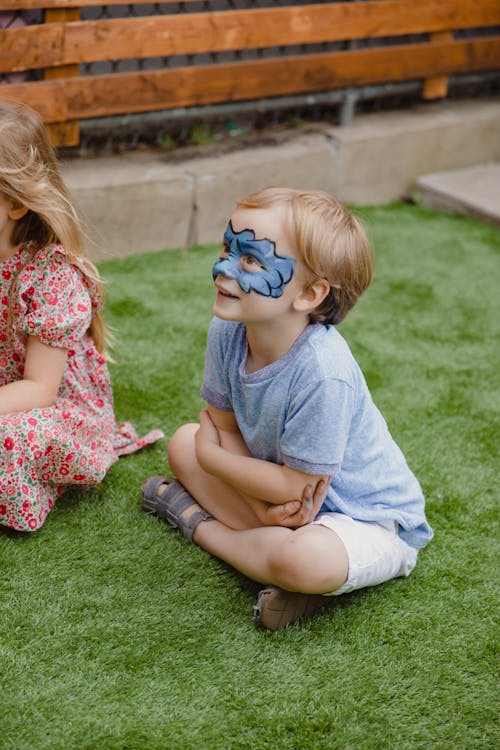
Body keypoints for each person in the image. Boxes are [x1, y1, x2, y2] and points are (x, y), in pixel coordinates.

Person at [142, 186, 433, 630]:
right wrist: (260, 507)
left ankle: (196, 523)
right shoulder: (227, 330)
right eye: (227, 246)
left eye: (251, 260)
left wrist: (212, 459)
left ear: (309, 294)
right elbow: (224, 427)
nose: (223, 266)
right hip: (278, 499)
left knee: (303, 558)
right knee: (182, 442)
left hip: (362, 520)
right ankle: (272, 562)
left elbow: (289, 483)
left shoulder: (323, 371)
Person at [0, 100, 163, 532]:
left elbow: (39, 389)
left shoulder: (51, 276)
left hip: (53, 409)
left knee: (7, 441)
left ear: (17, 205)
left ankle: (36, 484)